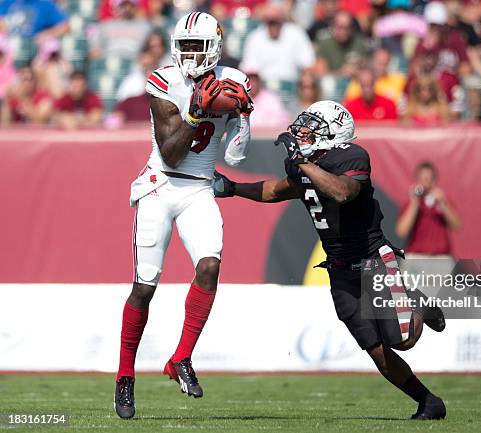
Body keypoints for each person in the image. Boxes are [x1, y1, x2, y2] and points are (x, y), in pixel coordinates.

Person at [213, 100, 447, 421]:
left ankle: (420, 303)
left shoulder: (351, 156)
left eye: (313, 126)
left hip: (372, 261)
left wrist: (304, 162)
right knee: (376, 349)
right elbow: (277, 190)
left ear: (334, 133)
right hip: (338, 268)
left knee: (401, 340)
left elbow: (342, 191)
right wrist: (234, 188)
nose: (303, 132)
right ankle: (428, 402)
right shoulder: (303, 164)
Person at [113, 11, 253, 420]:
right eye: (186, 45)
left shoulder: (235, 79)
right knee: (145, 286)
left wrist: (243, 116)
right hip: (161, 185)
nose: (190, 53)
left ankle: (181, 358)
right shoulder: (163, 79)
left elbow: (235, 155)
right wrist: (197, 111)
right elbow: (172, 149)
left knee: (209, 268)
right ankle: (125, 377)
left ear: (215, 46)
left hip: (199, 189)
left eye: (198, 46)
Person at [395, 161, 461, 278]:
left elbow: (457, 225)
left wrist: (443, 203)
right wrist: (414, 204)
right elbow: (401, 231)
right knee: (413, 295)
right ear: (417, 180)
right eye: (423, 179)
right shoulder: (412, 203)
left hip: (440, 259)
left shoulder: (443, 202)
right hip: (416, 258)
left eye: (429, 179)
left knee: (441, 296)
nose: (426, 183)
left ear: (434, 180)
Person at [240, 4, 315, 82]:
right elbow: (249, 68)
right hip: (263, 86)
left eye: (276, 22)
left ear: (282, 20)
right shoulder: (255, 37)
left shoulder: (296, 33)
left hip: (292, 85)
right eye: (271, 22)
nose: (273, 26)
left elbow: (308, 63)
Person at [313, 10, 367, 77]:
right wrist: (341, 72)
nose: (344, 31)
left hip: (355, 83)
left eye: (347, 27)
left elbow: (367, 67)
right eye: (340, 27)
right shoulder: (324, 44)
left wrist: (358, 69)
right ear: (332, 27)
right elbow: (320, 74)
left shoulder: (359, 42)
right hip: (333, 84)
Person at [0, 0, 69, 45]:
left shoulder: (45, 5)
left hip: (35, 49)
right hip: (9, 47)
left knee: (51, 45)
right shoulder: (7, 3)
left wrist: (47, 35)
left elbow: (65, 26)